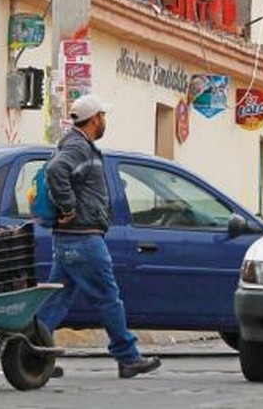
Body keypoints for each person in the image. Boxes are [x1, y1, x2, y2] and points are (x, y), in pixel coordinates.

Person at [37, 94, 162, 380]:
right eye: (103, 116)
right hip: (83, 239)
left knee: (57, 300)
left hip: (70, 239)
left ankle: (34, 353)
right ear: (94, 119)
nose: (105, 120)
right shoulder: (79, 147)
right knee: (108, 298)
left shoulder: (75, 145)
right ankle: (128, 357)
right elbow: (57, 170)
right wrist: (68, 206)